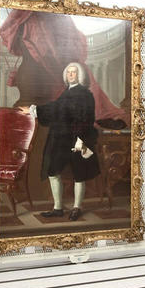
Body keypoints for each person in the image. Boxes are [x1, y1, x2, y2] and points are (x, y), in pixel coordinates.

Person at [20, 62, 100, 221]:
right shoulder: (66, 93)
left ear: (80, 75)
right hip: (62, 139)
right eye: (69, 72)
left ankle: (77, 207)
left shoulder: (85, 94)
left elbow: (86, 119)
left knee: (79, 174)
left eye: (74, 72)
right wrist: (33, 110)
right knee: (52, 172)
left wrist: (81, 141)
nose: (71, 75)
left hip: (78, 139)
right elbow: (57, 108)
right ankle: (58, 208)